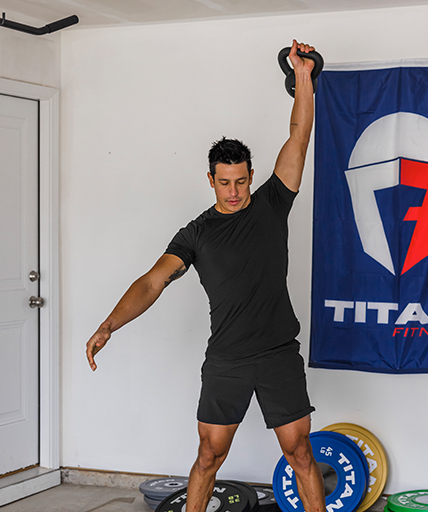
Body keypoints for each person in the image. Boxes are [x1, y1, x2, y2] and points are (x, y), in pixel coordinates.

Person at [86, 40, 325, 512]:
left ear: (251, 175)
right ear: (210, 179)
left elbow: (298, 136)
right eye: (224, 182)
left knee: (300, 453)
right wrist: (110, 324)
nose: (234, 192)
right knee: (208, 456)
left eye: (241, 181)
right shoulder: (197, 233)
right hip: (228, 360)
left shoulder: (274, 202)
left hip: (279, 354)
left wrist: (303, 74)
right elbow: (152, 282)